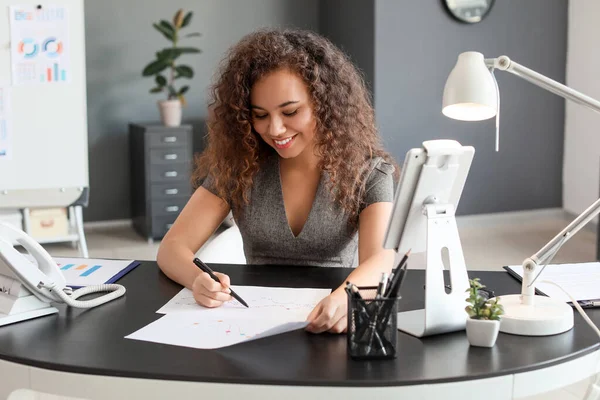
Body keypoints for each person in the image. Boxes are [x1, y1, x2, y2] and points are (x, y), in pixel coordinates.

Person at [157, 28, 397, 334]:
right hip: (250, 324)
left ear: (324, 104)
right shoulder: (239, 167)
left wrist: (347, 296)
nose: (275, 129)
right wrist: (197, 279)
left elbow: (381, 260)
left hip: (328, 321)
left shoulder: (370, 173)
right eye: (260, 115)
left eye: (291, 111)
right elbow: (172, 248)